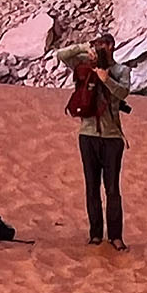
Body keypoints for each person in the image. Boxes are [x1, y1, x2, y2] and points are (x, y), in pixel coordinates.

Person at [55, 32, 130, 250]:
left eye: (104, 45)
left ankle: (115, 236)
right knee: (91, 186)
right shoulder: (85, 65)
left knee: (112, 189)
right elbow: (61, 55)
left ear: (112, 46)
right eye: (97, 45)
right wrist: (82, 48)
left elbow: (123, 93)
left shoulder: (121, 70)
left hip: (112, 137)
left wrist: (107, 80)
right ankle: (95, 234)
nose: (100, 49)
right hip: (87, 135)